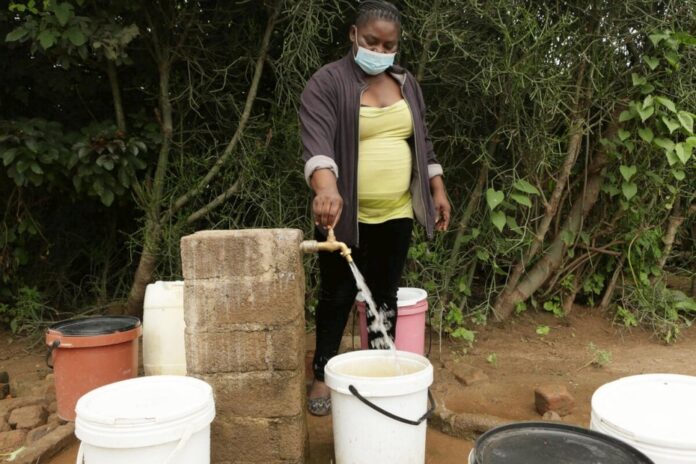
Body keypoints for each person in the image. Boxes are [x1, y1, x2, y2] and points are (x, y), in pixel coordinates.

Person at [299, 0, 451, 416]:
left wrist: (436, 186)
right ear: (353, 35)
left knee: (384, 296)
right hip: (344, 217)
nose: (380, 52)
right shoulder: (328, 83)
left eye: (389, 46)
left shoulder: (406, 84)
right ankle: (323, 375)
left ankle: (379, 373)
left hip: (397, 212)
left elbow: (422, 141)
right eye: (372, 42)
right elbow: (317, 143)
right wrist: (326, 189)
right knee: (336, 297)